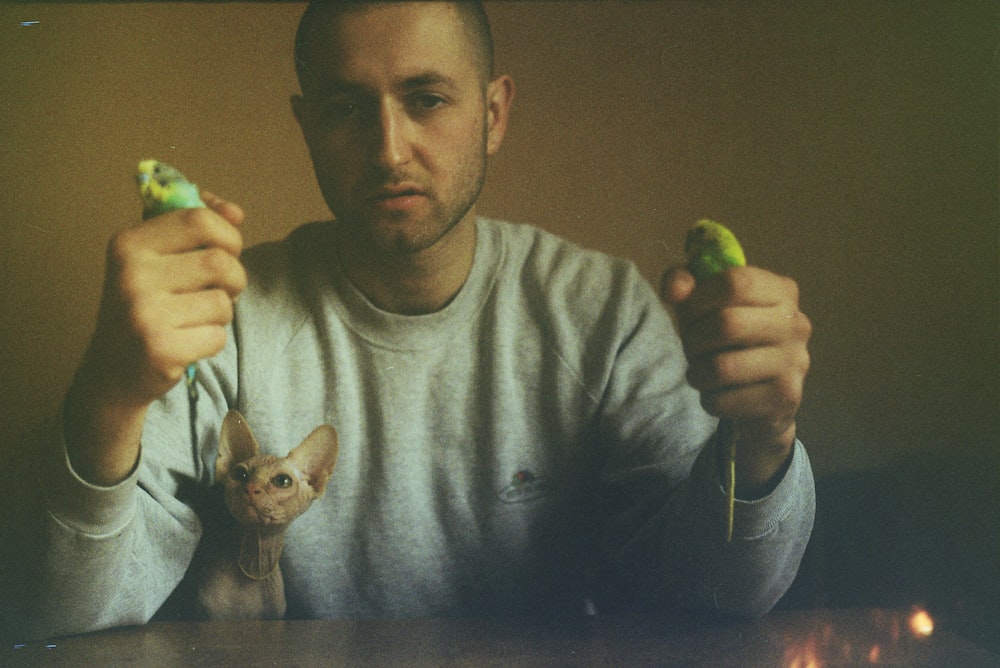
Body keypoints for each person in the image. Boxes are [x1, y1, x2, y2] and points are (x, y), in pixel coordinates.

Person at [17, 0, 814, 639]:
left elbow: (723, 597)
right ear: (307, 127)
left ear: (495, 114)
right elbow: (66, 611)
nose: (389, 148)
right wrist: (108, 395)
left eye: (427, 99)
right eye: (344, 109)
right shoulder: (220, 320)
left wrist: (767, 436)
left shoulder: (601, 314)